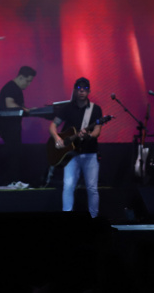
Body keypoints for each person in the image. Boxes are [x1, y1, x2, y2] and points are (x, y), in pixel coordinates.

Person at [49, 77, 103, 218]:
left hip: (90, 153)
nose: (82, 92)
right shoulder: (67, 108)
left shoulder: (95, 109)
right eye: (79, 89)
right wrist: (57, 138)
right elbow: (53, 126)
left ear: (89, 91)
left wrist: (89, 136)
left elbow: (97, 131)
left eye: (85, 89)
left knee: (92, 188)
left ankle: (94, 217)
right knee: (68, 186)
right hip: (71, 154)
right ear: (75, 90)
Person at [0, 66, 37, 187]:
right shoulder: (11, 88)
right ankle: (11, 182)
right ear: (20, 77)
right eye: (28, 81)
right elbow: (9, 104)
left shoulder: (16, 89)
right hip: (8, 127)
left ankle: (13, 181)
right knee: (13, 154)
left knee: (15, 154)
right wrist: (26, 109)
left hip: (13, 127)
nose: (28, 84)